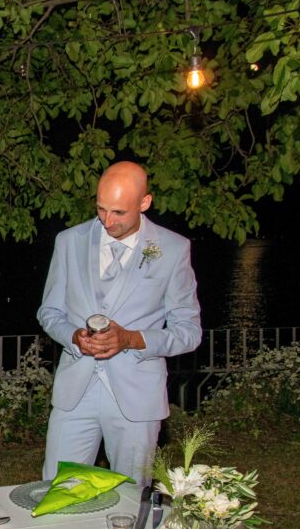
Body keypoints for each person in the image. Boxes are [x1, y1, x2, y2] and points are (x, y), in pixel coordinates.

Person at [37, 161, 202, 482]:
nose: (107, 221)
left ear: (144, 203)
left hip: (137, 398)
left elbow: (189, 332)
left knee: (129, 499)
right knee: (57, 491)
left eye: (119, 213)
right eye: (101, 209)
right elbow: (49, 313)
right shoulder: (69, 241)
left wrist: (132, 339)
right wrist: (73, 337)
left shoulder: (172, 249)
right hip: (75, 393)